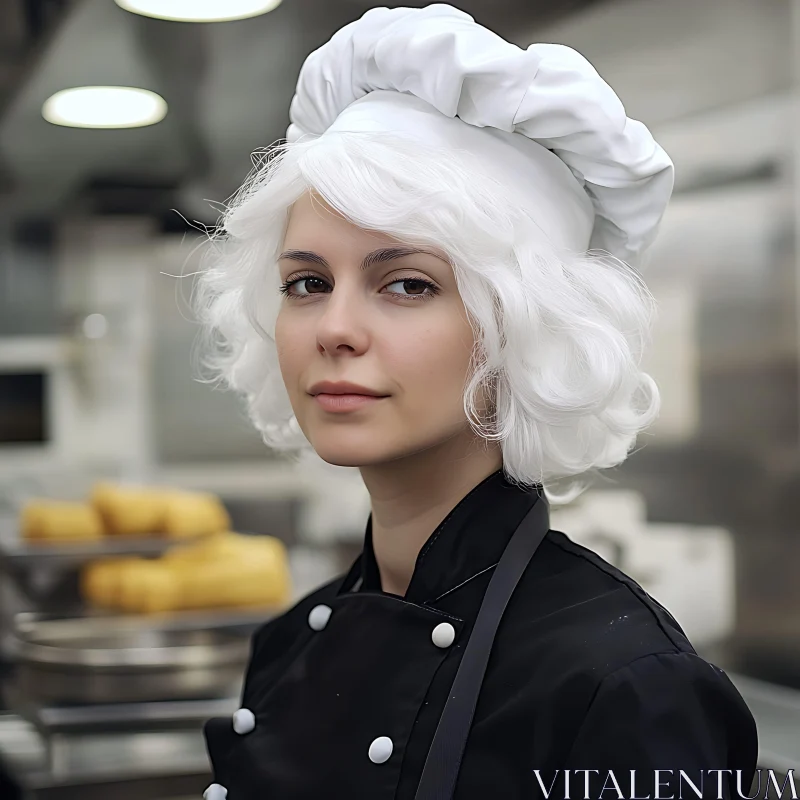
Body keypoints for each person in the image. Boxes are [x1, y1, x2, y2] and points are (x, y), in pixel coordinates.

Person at [195, 5, 758, 799]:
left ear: (519, 330)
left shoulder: (623, 682)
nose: (335, 327)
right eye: (307, 283)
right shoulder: (292, 644)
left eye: (407, 284)